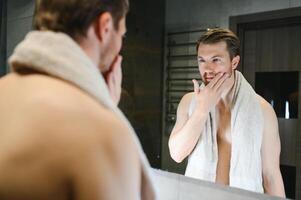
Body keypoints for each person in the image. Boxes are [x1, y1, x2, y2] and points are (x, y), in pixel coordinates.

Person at [0, 0, 155, 199]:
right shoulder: (102, 133)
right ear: (105, 27)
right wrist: (104, 114)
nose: (121, 45)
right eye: (122, 34)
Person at [168, 28, 285, 197]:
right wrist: (201, 110)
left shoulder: (263, 110)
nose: (207, 68)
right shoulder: (189, 102)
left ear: (234, 62)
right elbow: (177, 154)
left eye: (216, 60)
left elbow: (271, 175)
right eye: (202, 60)